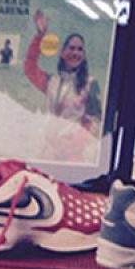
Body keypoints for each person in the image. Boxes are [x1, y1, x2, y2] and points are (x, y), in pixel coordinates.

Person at [23, 9, 102, 162]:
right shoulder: (52, 82)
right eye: (71, 48)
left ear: (83, 56)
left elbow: (94, 121)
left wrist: (74, 145)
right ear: (62, 53)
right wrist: (40, 36)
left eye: (79, 49)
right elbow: (29, 68)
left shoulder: (90, 84)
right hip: (49, 151)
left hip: (73, 155)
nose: (75, 53)